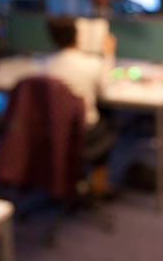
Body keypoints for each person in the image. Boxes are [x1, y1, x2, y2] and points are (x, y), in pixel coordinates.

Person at [45, 16, 118, 196]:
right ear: (77, 36)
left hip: (50, 131)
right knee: (108, 116)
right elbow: (106, 90)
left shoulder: (44, 65)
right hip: (81, 133)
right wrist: (109, 54)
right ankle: (99, 183)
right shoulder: (90, 65)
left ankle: (65, 178)